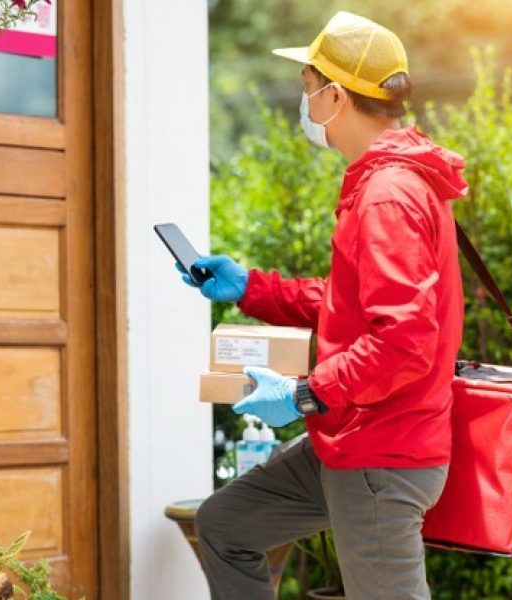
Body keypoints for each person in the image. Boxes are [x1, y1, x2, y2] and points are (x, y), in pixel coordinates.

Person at [177, 11, 470, 600]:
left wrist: (306, 392)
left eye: (308, 86)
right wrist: (249, 288)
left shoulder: (388, 195)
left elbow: (404, 340)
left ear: (336, 95)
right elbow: (351, 304)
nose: (303, 99)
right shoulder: (385, 183)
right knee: (225, 524)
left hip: (382, 455)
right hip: (350, 438)